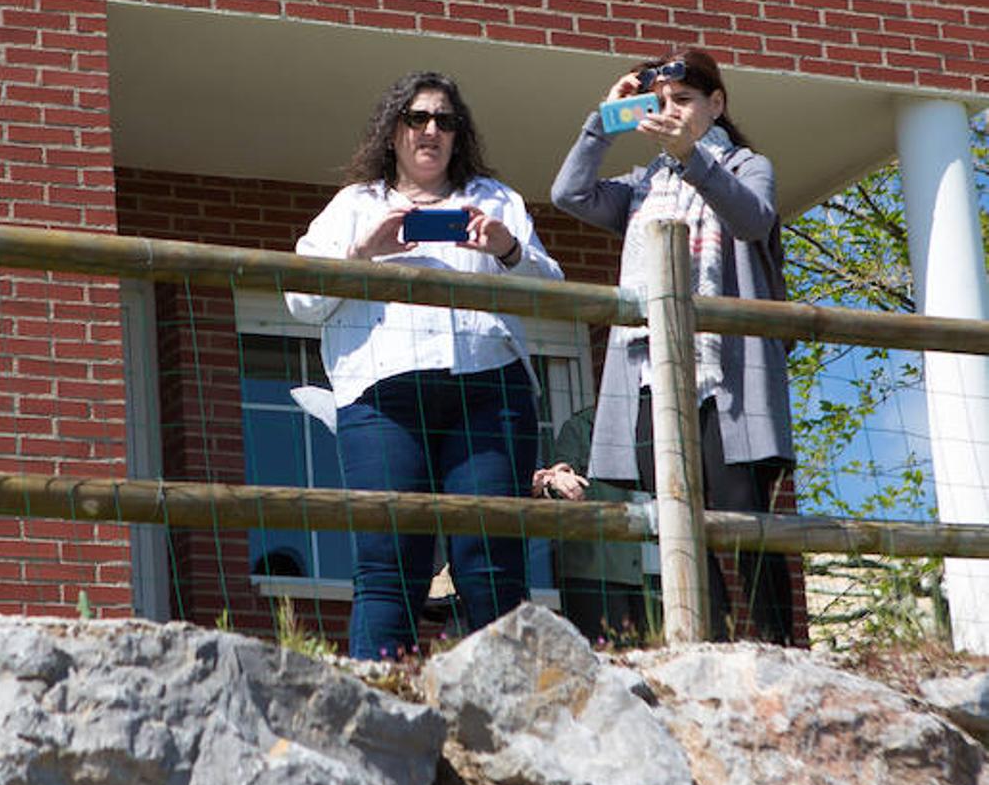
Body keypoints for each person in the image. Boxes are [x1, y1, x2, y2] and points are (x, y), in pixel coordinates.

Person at [285, 70, 564, 660]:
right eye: (417, 118)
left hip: (488, 392)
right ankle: (380, 707)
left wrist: (506, 249)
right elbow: (299, 301)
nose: (431, 130)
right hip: (382, 395)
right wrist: (362, 254)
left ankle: (507, 708)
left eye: (445, 120)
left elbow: (554, 293)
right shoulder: (356, 205)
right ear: (393, 133)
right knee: (390, 561)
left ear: (459, 136)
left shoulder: (494, 200)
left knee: (489, 563)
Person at [550, 47, 796, 643]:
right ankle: (703, 643)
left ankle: (774, 646)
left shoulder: (745, 165)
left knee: (744, 523)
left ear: (716, 104)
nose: (672, 113)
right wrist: (604, 121)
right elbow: (568, 194)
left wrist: (692, 161)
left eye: (684, 101)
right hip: (649, 376)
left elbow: (752, 220)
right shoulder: (643, 184)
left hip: (726, 379)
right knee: (675, 524)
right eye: (661, 104)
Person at [531, 405, 660, 643]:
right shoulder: (582, 426)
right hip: (595, 572)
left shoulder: (659, 425)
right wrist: (558, 480)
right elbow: (560, 479)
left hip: (649, 574)